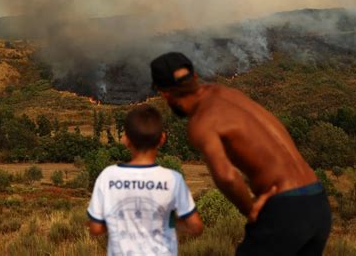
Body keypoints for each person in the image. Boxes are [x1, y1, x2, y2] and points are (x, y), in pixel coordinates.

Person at [150, 52, 332, 256]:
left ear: (164, 93)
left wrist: (251, 210)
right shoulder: (228, 94)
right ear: (195, 76)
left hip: (287, 208)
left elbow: (226, 177)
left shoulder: (201, 121)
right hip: (318, 200)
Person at [87, 104, 203, 256]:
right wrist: (168, 220)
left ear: (125, 139)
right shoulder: (173, 179)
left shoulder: (108, 176)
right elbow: (196, 227)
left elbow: (95, 228)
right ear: (162, 139)